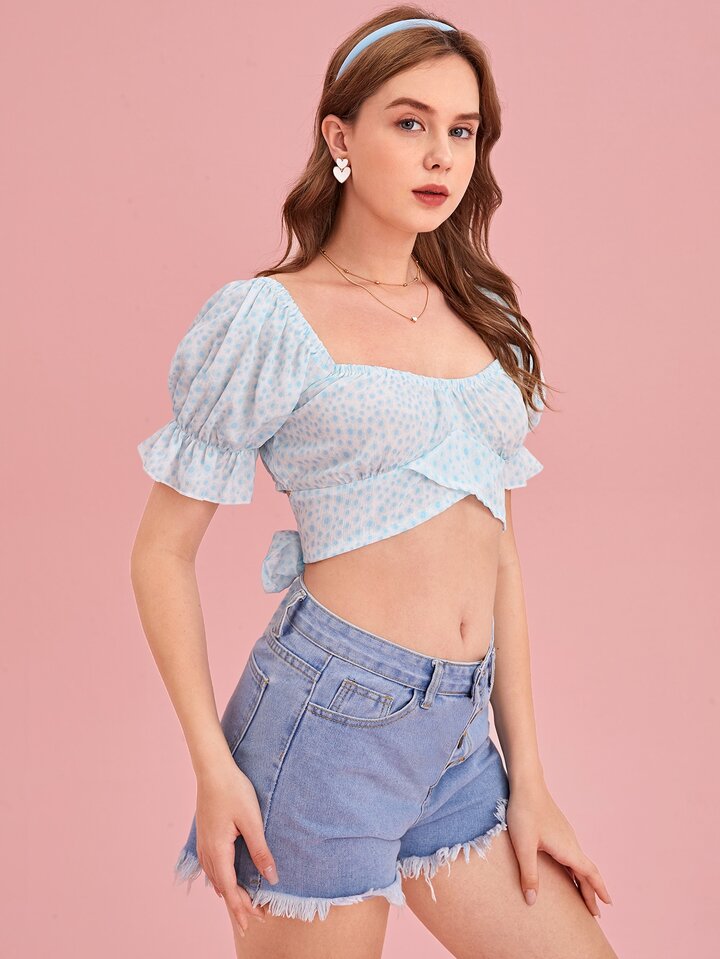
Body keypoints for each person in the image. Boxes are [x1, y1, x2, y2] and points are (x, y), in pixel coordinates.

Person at [131, 9, 619, 958]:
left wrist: (531, 776)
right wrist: (212, 765)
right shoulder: (270, 318)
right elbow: (160, 553)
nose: (441, 154)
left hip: (459, 736)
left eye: (462, 130)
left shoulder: (482, 316)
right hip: (324, 728)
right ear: (341, 136)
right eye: (409, 122)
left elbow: (497, 549)